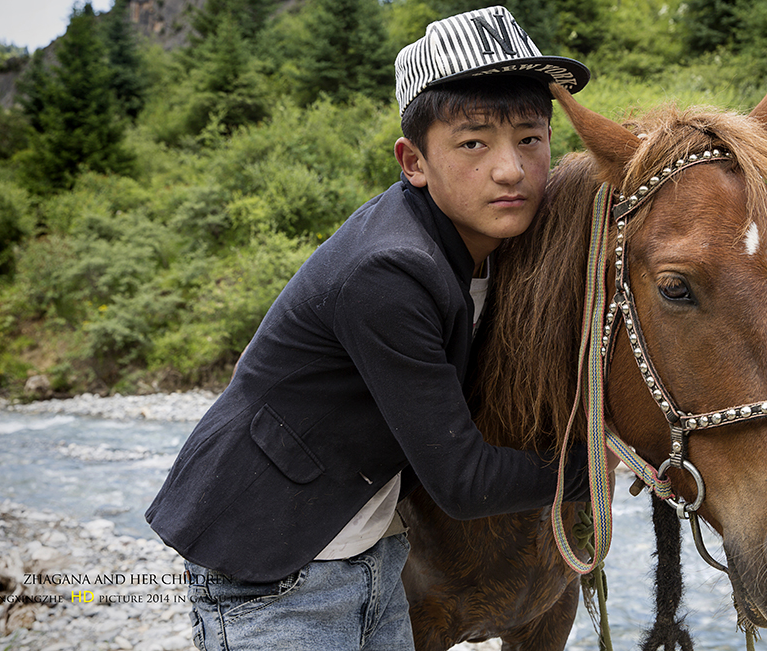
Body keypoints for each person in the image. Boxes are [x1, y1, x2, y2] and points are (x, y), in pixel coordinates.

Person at [146, 6, 592, 650]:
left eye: (530, 137)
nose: (511, 170)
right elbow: (462, 483)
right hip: (273, 556)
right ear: (413, 161)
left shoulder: (487, 245)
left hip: (370, 550)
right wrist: (592, 471)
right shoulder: (388, 272)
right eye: (473, 143)